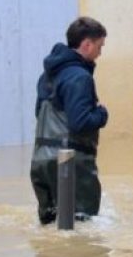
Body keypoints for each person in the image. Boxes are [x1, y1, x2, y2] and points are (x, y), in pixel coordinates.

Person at [30, 17, 109, 224]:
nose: (100, 53)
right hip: (71, 166)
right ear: (87, 44)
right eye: (100, 47)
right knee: (82, 233)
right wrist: (102, 114)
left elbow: (40, 114)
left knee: (51, 227)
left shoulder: (46, 76)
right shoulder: (80, 77)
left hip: (40, 163)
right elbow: (80, 122)